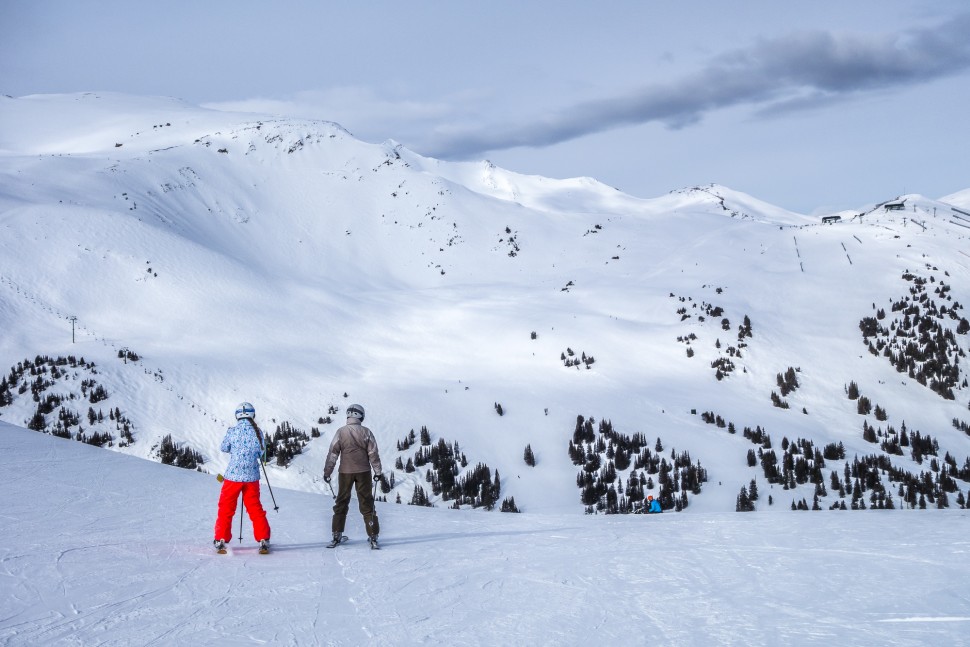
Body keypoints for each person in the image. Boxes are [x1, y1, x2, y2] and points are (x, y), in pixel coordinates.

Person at [213, 402, 271, 553]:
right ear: (253, 415)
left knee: (226, 508)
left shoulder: (232, 431)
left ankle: (221, 539)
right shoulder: (258, 432)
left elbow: (224, 447)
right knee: (255, 508)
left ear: (237, 415)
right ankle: (263, 539)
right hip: (252, 477)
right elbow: (261, 452)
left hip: (233, 477)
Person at [324, 404, 383, 549]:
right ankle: (373, 535)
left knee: (341, 502)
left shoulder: (340, 432)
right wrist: (378, 471)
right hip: (364, 472)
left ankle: (336, 534)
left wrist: (327, 472)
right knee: (367, 503)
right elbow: (373, 453)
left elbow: (333, 453)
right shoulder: (366, 432)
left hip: (345, 472)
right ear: (360, 416)